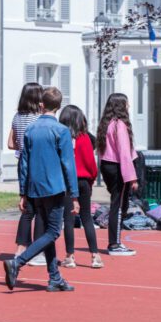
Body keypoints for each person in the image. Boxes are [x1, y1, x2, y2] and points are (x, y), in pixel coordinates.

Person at [3, 87, 78, 292]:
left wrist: (23, 192)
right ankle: (18, 262)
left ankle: (54, 277)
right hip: (54, 188)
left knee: (47, 232)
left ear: (41, 105)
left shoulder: (30, 130)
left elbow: (24, 163)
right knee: (53, 232)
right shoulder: (61, 131)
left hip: (35, 187)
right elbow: (68, 164)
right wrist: (75, 195)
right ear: (59, 107)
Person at [58, 105, 102, 269]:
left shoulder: (61, 138)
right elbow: (91, 164)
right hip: (84, 181)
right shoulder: (85, 138)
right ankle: (95, 255)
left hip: (68, 183)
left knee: (68, 220)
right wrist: (90, 181)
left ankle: (70, 256)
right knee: (86, 218)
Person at [96, 93, 138, 257]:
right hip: (117, 166)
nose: (128, 106)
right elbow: (124, 153)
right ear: (121, 106)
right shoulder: (120, 125)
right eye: (126, 103)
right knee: (118, 206)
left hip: (107, 165)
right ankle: (115, 243)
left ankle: (115, 242)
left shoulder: (106, 124)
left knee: (116, 204)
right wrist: (132, 176)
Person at [10, 83, 46, 266]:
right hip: (38, 162)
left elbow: (10, 143)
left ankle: (20, 248)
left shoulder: (17, 117)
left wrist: (21, 147)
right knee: (40, 207)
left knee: (26, 207)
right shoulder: (39, 118)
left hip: (22, 161)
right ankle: (37, 251)